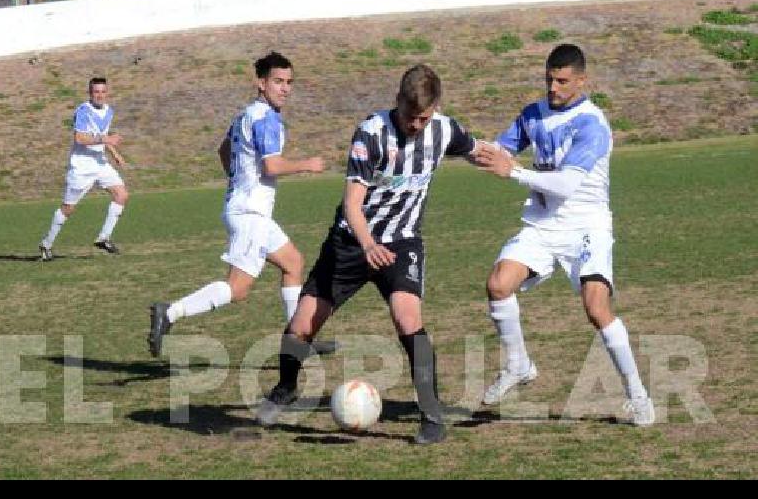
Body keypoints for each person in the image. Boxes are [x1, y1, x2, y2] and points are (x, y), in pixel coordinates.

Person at [255, 63, 491, 445]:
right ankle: (285, 388)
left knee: (408, 317)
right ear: (396, 101)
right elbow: (352, 203)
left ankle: (432, 416)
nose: (416, 125)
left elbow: (478, 149)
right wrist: (367, 245)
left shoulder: (444, 129)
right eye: (410, 117)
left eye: (424, 118)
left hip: (401, 243)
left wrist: (510, 166)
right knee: (301, 326)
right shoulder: (372, 134)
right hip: (351, 243)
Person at [473, 44, 655, 426]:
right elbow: (496, 151)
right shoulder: (532, 115)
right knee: (498, 284)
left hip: (586, 227)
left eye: (562, 81)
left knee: (596, 309)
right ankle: (519, 365)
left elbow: (567, 185)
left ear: (582, 80)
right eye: (548, 79)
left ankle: (637, 394)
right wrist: (454, 140)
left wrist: (516, 173)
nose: (553, 88)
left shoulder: (592, 124)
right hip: (542, 225)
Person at [148, 52, 337, 357]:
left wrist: (239, 183)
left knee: (293, 263)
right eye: (278, 82)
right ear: (261, 83)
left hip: (247, 209)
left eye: (289, 82)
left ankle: (297, 341)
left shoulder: (245, 115)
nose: (285, 88)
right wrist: (307, 164)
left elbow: (224, 151)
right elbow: (272, 166)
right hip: (250, 214)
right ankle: (169, 312)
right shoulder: (266, 119)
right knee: (238, 288)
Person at [38, 77, 128, 261]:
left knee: (122, 194)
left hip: (100, 162)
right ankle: (46, 244)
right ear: (90, 93)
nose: (100, 95)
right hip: (81, 166)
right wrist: (105, 140)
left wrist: (114, 153)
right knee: (68, 208)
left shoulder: (109, 111)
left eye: (103, 91)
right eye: (96, 92)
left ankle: (104, 238)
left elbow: (102, 135)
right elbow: (80, 138)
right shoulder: (83, 111)